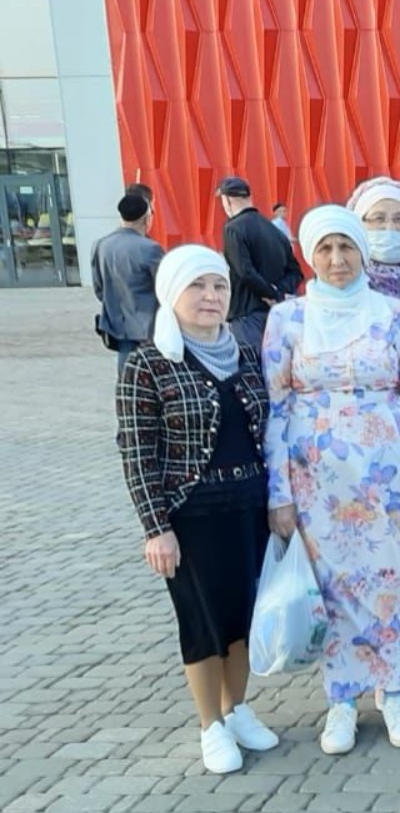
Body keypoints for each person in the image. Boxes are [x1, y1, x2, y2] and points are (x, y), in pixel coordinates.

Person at [262, 205, 400, 755]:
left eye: (347, 247)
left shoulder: (393, 313)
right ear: (309, 255)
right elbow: (277, 409)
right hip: (318, 483)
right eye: (325, 249)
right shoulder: (287, 319)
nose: (337, 259)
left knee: (393, 578)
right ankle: (341, 700)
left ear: (362, 252)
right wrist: (279, 494)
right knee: (334, 590)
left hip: (389, 475)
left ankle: (394, 688)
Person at [116, 245, 279, 774]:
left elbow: (270, 431)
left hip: (249, 506)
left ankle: (237, 709)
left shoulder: (245, 353)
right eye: (197, 286)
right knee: (202, 620)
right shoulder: (148, 363)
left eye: (219, 286)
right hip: (192, 514)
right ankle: (210, 724)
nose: (211, 297)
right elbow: (137, 450)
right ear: (172, 293)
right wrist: (155, 527)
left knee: (244, 615)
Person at [217, 176, 304, 350]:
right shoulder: (275, 231)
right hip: (276, 314)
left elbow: (245, 272)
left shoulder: (232, 229)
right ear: (249, 197)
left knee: (251, 363)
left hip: (246, 315)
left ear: (227, 201)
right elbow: (296, 273)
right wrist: (278, 293)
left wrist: (270, 293)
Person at [93, 188, 164, 371]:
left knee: (126, 375)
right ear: (147, 219)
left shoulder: (101, 245)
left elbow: (99, 289)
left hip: (117, 326)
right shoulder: (150, 248)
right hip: (149, 327)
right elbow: (165, 288)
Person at [349, 176, 400, 299]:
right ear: (359, 226)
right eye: (378, 218)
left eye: (399, 219)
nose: (390, 228)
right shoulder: (343, 281)